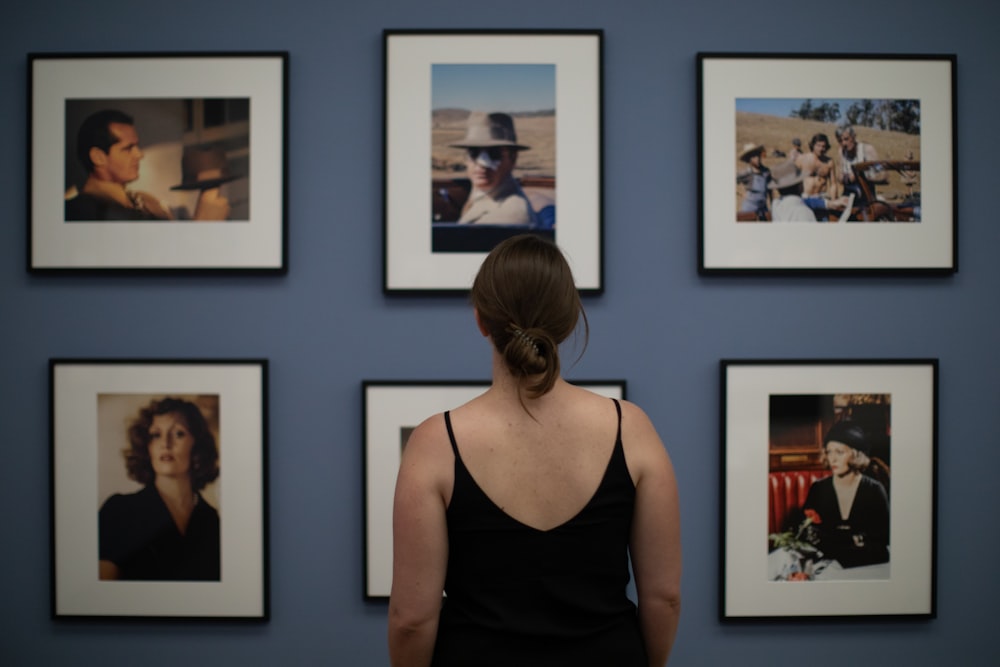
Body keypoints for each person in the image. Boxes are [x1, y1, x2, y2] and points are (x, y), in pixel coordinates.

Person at [388, 235, 682, 666]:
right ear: (566, 321)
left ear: (481, 321)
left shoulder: (436, 442)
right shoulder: (630, 428)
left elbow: (411, 620)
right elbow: (665, 598)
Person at [98, 397, 221, 581]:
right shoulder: (119, 510)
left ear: (197, 445)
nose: (166, 443)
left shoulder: (212, 521)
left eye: (179, 433)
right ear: (147, 447)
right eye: (156, 435)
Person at [65, 109, 230, 221]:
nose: (140, 154)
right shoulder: (83, 211)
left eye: (137, 146)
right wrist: (203, 226)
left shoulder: (145, 200)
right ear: (98, 157)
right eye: (128, 148)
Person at [801, 421, 889, 568]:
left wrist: (837, 541)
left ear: (856, 455)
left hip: (868, 566)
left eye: (840, 452)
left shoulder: (874, 490)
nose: (832, 459)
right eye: (829, 451)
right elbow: (806, 532)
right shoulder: (818, 488)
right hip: (827, 566)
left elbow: (883, 537)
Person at [449, 112, 540, 225]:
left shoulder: (510, 216)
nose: (482, 163)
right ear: (466, 159)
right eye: (474, 153)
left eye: (494, 154)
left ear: (513, 159)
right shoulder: (482, 192)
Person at [835, 124, 885, 203]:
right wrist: (846, 178)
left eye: (846, 139)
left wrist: (861, 175)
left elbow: (882, 174)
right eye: (840, 141)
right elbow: (839, 177)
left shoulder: (867, 150)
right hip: (849, 195)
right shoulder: (841, 152)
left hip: (867, 196)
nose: (844, 143)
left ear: (854, 136)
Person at [736, 143, 772, 219]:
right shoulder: (746, 173)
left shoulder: (766, 171)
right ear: (749, 159)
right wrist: (741, 193)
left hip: (763, 207)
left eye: (758, 155)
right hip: (749, 207)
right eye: (754, 156)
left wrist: (772, 203)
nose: (757, 158)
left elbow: (770, 189)